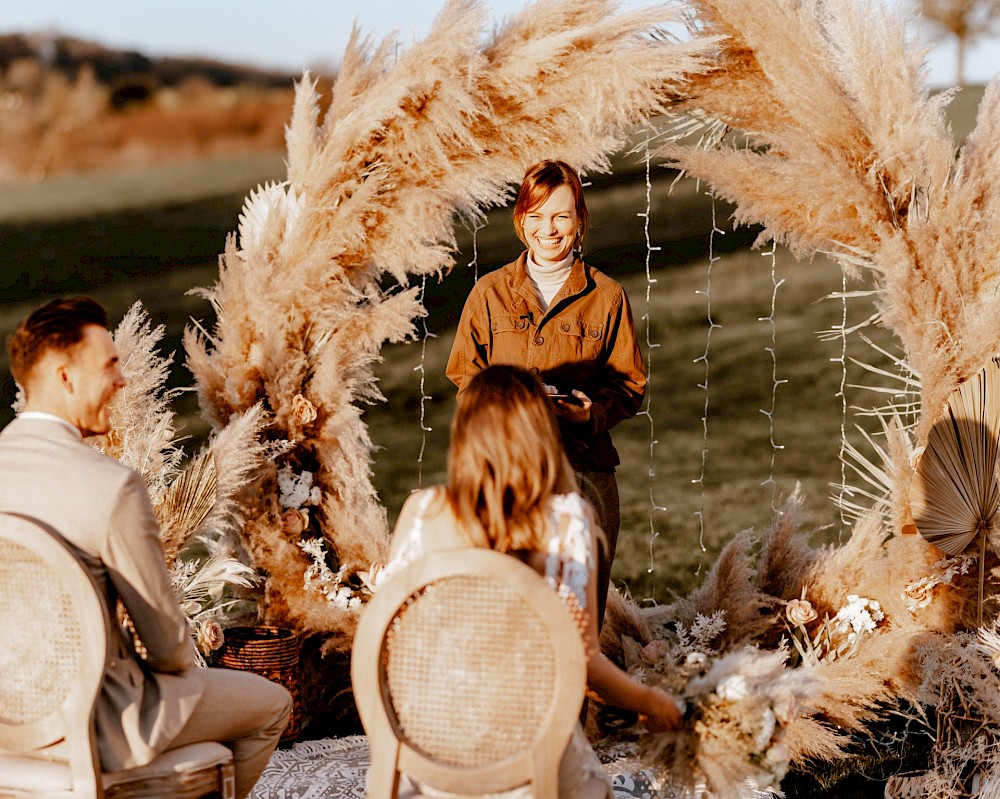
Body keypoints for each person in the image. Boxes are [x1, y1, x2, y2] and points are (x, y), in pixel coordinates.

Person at [0, 296, 291, 799]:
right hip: (96, 724)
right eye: (109, 366)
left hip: (5, 721)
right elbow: (169, 650)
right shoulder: (110, 486)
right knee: (271, 704)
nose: (122, 381)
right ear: (66, 376)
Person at [384, 364, 681, 799]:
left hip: (427, 744)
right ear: (542, 432)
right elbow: (583, 661)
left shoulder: (420, 512)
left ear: (465, 434)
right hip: (525, 749)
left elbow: (389, 633)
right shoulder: (567, 522)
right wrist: (649, 702)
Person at [446, 159, 645, 627]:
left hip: (584, 471)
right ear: (520, 221)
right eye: (535, 216)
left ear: (579, 222)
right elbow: (465, 376)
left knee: (579, 619)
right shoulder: (488, 293)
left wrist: (589, 413)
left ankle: (582, 702)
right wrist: (508, 417)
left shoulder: (607, 296)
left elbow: (630, 384)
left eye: (560, 216)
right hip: (505, 476)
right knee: (507, 612)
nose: (548, 230)